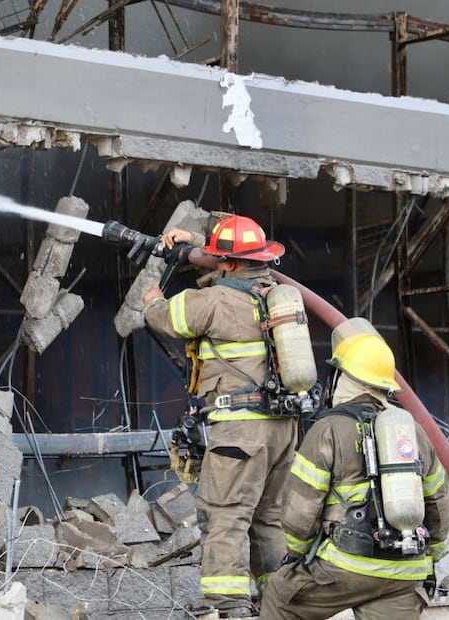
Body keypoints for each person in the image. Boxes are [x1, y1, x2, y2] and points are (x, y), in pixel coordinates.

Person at [141, 214, 297, 618]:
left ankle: (227, 608)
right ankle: (277, 605)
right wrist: (193, 240)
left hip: (240, 430)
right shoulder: (277, 296)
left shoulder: (215, 302)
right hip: (282, 430)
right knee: (268, 520)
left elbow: (162, 319)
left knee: (225, 515)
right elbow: (228, 259)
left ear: (226, 264)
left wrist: (152, 299)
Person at [261, 318, 449, 620]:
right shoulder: (412, 431)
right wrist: (430, 559)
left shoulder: (329, 429)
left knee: (280, 595)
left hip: (349, 564)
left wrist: (296, 556)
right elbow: (439, 504)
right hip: (407, 572)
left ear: (343, 376)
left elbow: (300, 510)